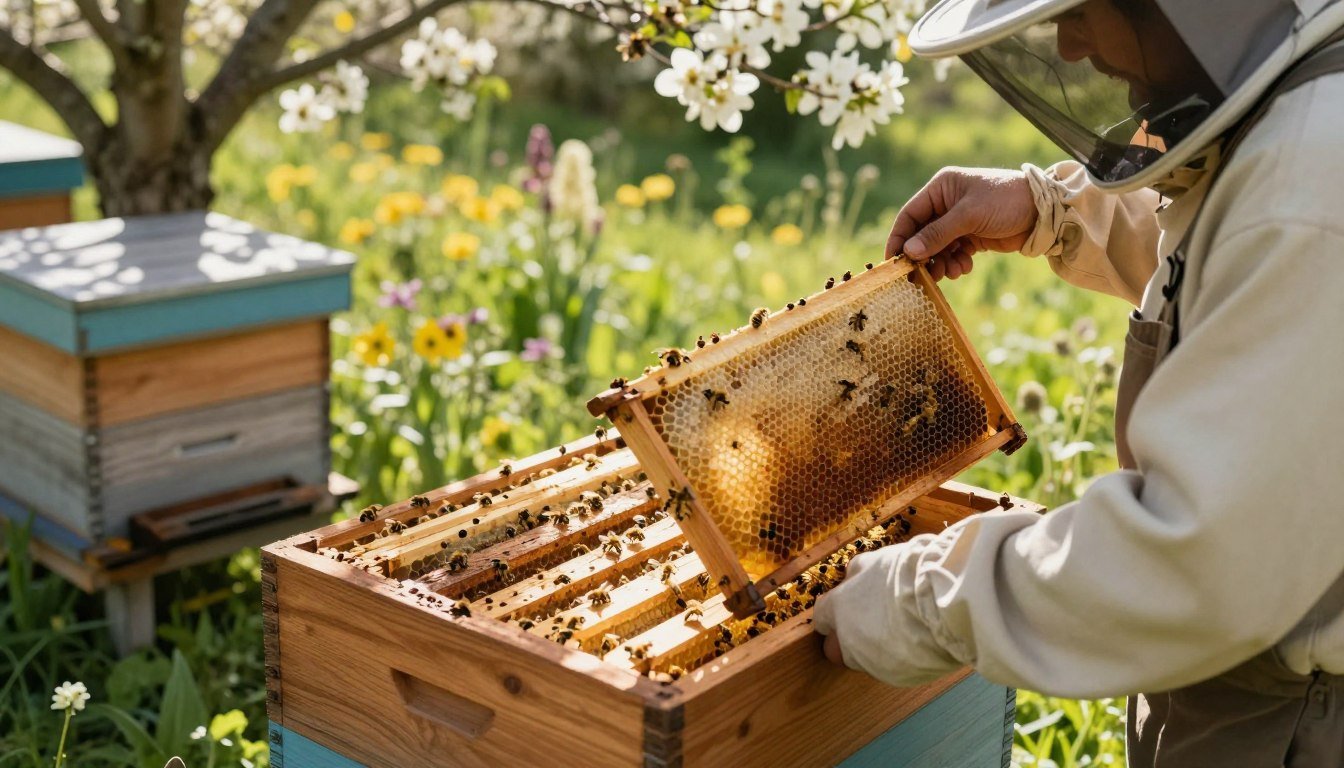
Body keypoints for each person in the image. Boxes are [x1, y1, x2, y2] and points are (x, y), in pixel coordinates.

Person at [811, 0, 1344, 763]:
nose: (1066, 45)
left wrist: (917, 604)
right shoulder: (1307, 128)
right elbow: (1237, 251)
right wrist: (1053, 211)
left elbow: (1192, 571)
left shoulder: (1313, 186)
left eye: (1081, 7)